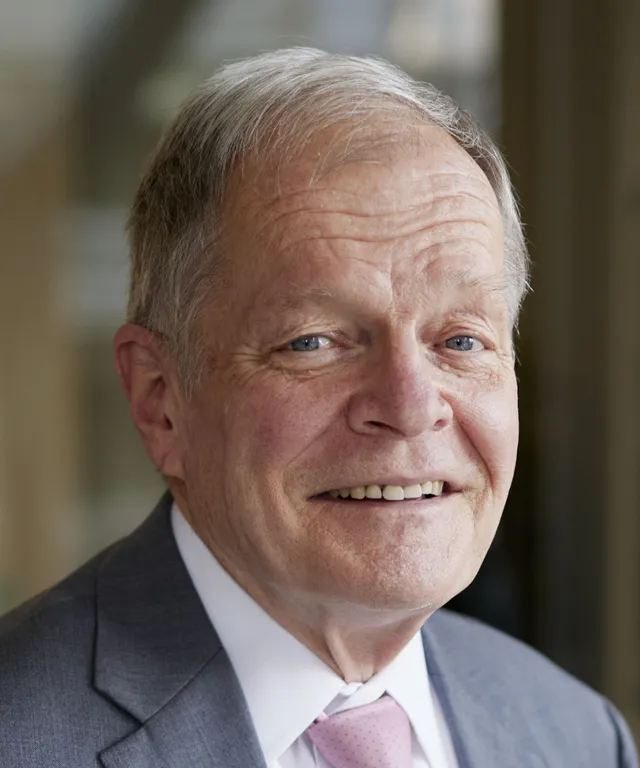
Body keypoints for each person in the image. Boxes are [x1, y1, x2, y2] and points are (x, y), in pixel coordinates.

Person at [0, 48, 636, 768]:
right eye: (314, 342)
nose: (409, 406)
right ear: (159, 399)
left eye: (461, 340)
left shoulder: (577, 735)